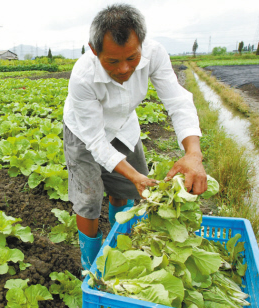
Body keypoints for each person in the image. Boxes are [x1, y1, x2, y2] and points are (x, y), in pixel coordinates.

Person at [63, 4, 208, 271]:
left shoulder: (155, 53)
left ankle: (120, 245)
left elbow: (177, 102)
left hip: (124, 126)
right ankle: (92, 265)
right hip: (84, 133)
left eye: (132, 58)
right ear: (94, 51)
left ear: (141, 44)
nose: (124, 69)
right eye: (113, 61)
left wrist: (193, 154)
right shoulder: (83, 77)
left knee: (125, 191)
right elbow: (95, 141)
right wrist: (134, 174)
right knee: (89, 198)